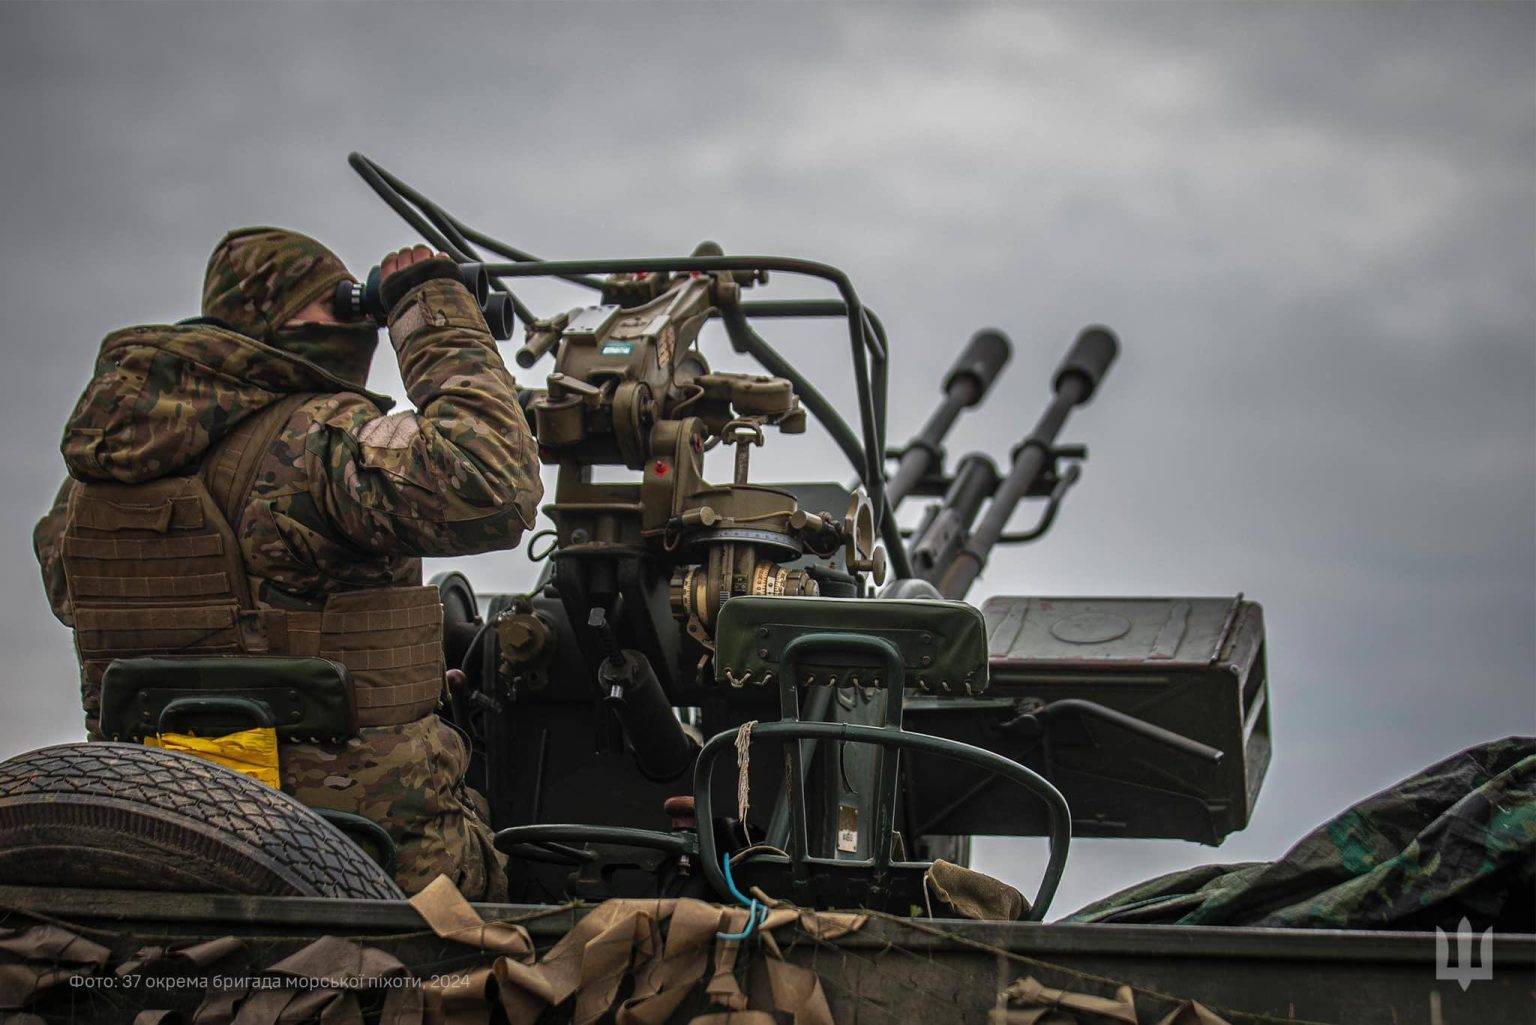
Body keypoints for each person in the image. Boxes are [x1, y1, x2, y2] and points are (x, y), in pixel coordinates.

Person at [32, 227, 543, 899]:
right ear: (273, 322)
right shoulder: (315, 445)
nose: (360, 324)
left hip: (158, 854)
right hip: (372, 863)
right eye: (341, 304)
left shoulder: (88, 489)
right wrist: (430, 309)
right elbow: (494, 486)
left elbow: (216, 609)